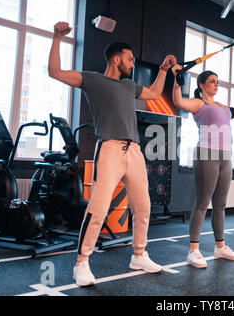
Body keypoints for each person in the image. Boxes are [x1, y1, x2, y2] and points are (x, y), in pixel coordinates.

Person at [48, 21, 177, 286]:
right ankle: (81, 263)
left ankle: (139, 255)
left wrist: (163, 70)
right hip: (109, 149)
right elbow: (55, 72)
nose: (133, 65)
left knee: (143, 207)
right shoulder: (92, 79)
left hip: (135, 151)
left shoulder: (130, 87)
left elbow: (153, 92)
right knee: (98, 208)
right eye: (129, 60)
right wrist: (57, 38)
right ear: (116, 58)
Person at [171, 66, 234, 268]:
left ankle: (220, 247)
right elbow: (178, 101)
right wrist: (176, 80)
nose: (216, 84)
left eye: (217, 81)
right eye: (212, 81)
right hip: (206, 154)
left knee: (220, 204)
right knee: (202, 203)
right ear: (201, 85)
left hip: (226, 157)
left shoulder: (222, 105)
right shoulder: (197, 103)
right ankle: (193, 251)